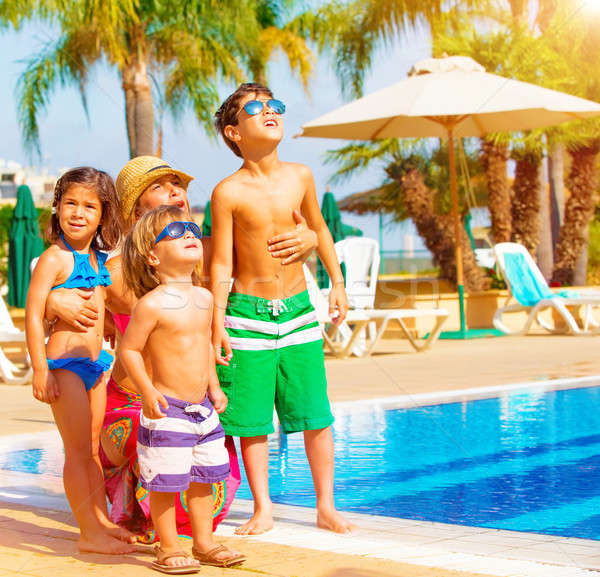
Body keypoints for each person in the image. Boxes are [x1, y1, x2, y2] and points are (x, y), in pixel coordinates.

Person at [43, 155, 318, 540]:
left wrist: (312, 239)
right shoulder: (115, 269)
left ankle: (181, 527)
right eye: (159, 186)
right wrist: (52, 303)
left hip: (192, 403)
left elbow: (268, 251)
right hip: (138, 403)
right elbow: (55, 282)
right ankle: (129, 502)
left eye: (179, 184)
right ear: (134, 208)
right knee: (160, 446)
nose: (176, 191)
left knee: (211, 476)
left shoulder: (205, 250)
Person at [210, 82, 354, 535]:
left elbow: (320, 230)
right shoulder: (227, 192)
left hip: (297, 309)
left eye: (275, 105)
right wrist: (217, 322)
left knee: (315, 412)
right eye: (256, 108)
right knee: (251, 419)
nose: (270, 111)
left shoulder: (301, 175)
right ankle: (262, 507)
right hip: (246, 312)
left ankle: (326, 505)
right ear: (234, 132)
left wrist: (337, 284)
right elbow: (220, 263)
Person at [120, 206, 246, 573]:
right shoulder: (152, 304)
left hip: (202, 410)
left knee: (204, 478)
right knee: (166, 481)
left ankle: (203, 541)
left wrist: (215, 386)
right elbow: (128, 350)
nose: (190, 233)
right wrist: (146, 390)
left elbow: (206, 346)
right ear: (153, 257)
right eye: (176, 231)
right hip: (167, 408)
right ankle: (169, 545)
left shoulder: (205, 298)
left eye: (192, 227)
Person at [25, 167, 135, 554]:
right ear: (57, 208)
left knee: (91, 450)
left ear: (103, 216)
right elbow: (34, 315)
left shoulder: (99, 258)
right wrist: (40, 369)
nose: (78, 212)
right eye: (70, 203)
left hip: (96, 367)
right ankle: (88, 532)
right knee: (75, 452)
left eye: (89, 206)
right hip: (65, 366)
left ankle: (101, 521)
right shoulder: (54, 258)